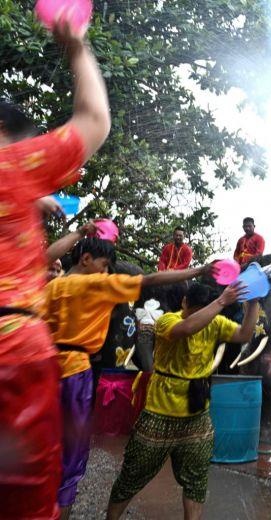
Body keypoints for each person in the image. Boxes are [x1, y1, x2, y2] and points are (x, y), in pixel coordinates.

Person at [0, 18, 111, 520]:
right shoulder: (12, 168)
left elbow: (33, 261)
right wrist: (75, 44)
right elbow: (94, 120)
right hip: (16, 356)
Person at [44, 237, 212, 519]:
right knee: (71, 457)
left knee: (43, 446)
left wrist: (77, 233)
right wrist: (197, 271)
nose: (106, 272)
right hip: (75, 372)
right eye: (104, 265)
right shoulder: (96, 284)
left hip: (46, 370)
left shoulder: (51, 286)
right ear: (86, 260)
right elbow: (151, 279)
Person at [106, 282, 260, 520]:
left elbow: (244, 334)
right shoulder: (167, 320)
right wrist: (220, 303)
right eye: (195, 309)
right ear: (184, 303)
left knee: (196, 481)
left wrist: (253, 303)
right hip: (159, 414)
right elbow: (185, 329)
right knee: (133, 473)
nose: (200, 316)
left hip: (197, 416)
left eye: (204, 311)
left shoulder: (215, 322)